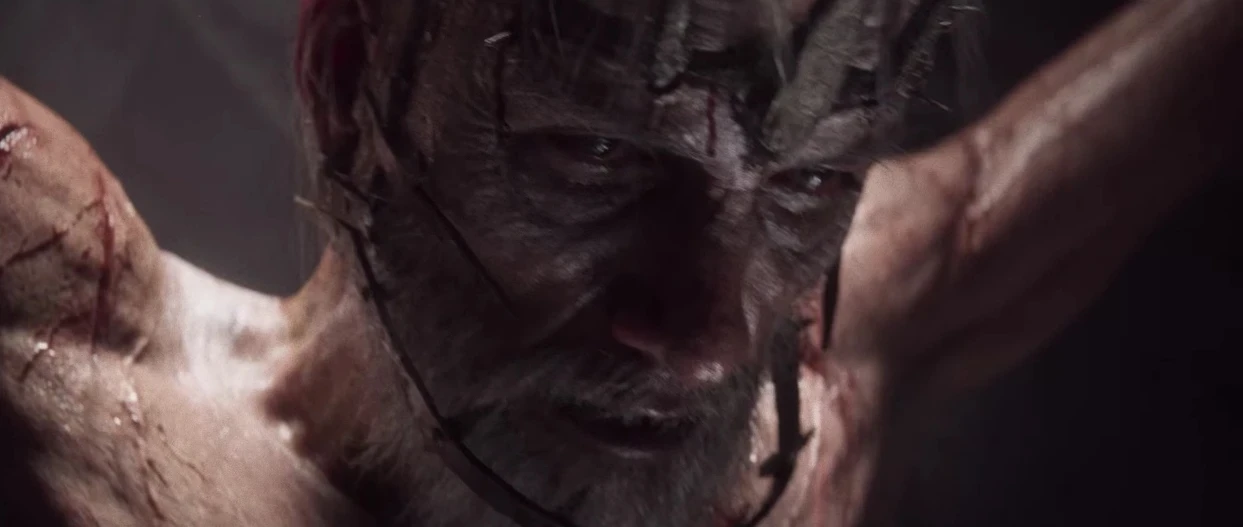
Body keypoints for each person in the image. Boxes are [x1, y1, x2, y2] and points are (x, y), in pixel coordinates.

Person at [1, 0, 1238, 526]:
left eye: (807, 185)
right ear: (343, 77)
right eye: (598, 156)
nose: (708, 337)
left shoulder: (822, 396)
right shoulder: (73, 375)